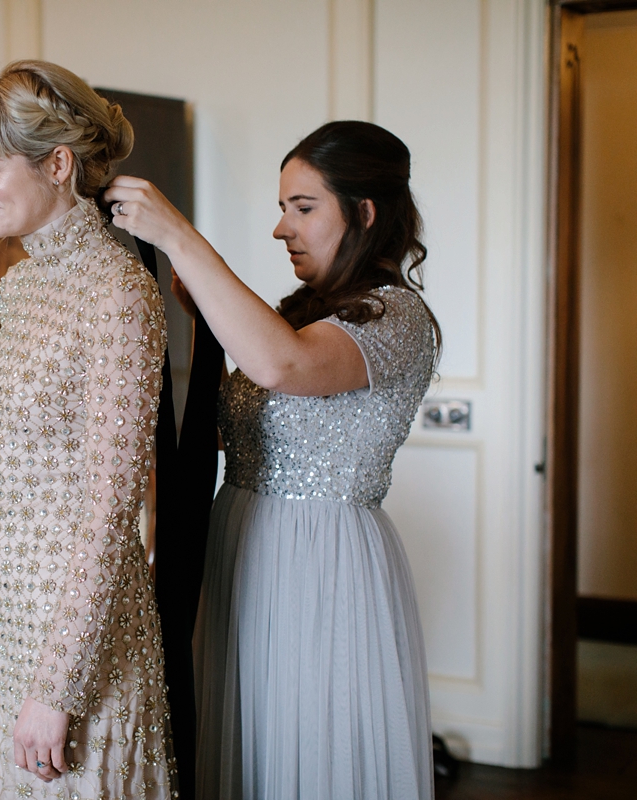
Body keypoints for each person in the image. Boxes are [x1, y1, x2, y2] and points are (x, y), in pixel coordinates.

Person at [104, 120, 439, 800]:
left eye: (303, 207)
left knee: (312, 744)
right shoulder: (302, 313)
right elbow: (240, 419)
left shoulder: (397, 317)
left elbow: (281, 365)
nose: (282, 229)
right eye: (283, 208)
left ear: (365, 213)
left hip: (323, 562)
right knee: (249, 741)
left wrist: (180, 237)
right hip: (245, 547)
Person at [0, 61, 177, 799]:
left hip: (78, 633)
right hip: (2, 608)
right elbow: (9, 480)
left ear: (58, 163)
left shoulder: (119, 293)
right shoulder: (22, 283)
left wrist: (58, 687)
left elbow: (114, 508)